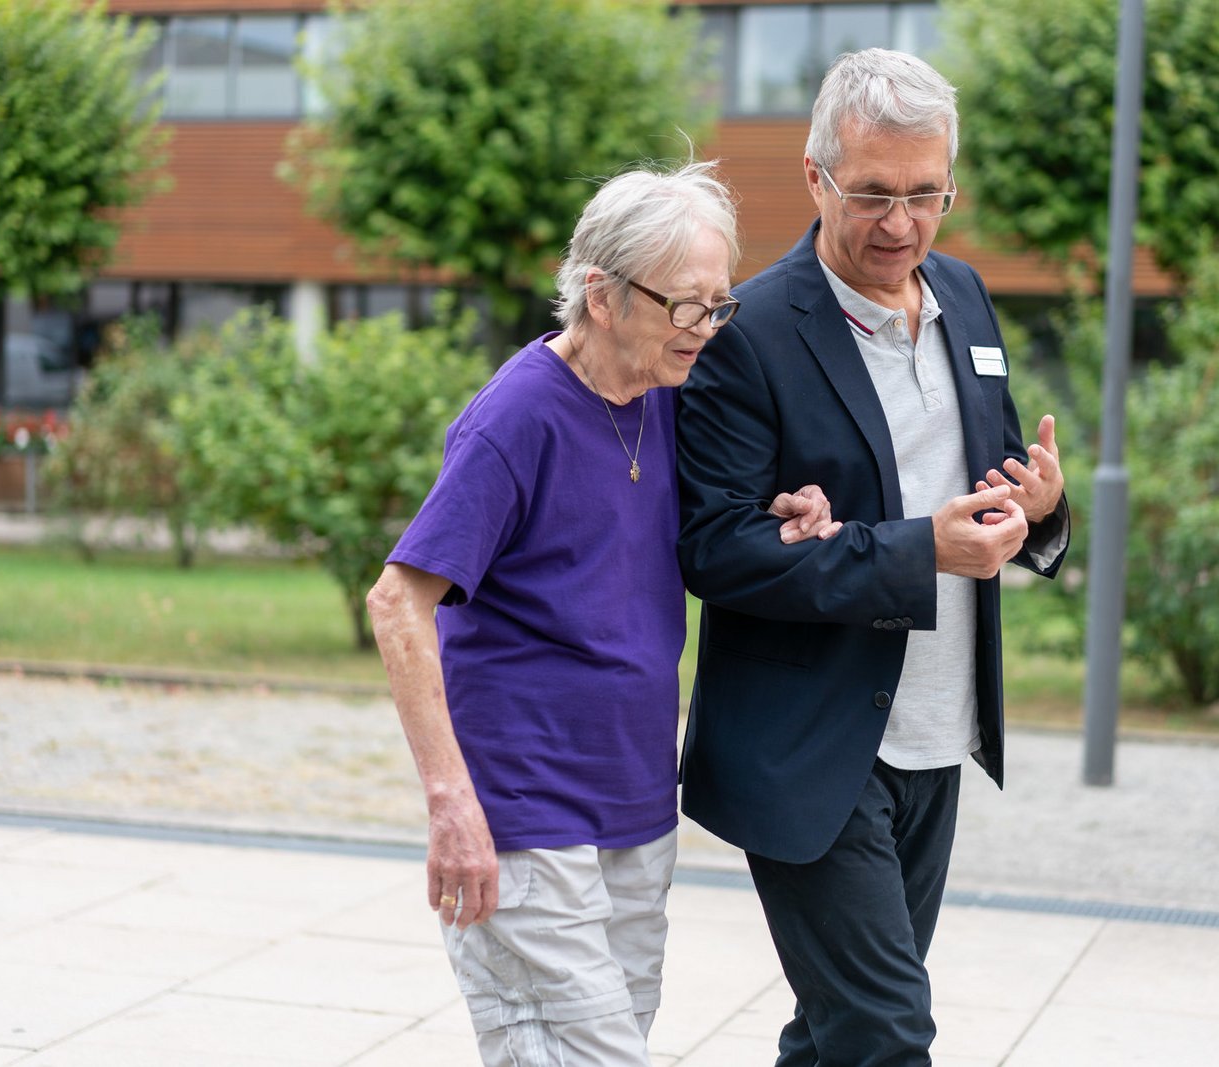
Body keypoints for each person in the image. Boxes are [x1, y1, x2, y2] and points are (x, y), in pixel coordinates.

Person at [366, 162, 839, 1067]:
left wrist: (781, 514)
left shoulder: (663, 398)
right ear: (604, 294)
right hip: (523, 806)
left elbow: (691, 531)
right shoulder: (517, 417)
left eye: (719, 304)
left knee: (610, 1042)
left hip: (633, 804)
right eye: (686, 305)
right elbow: (398, 603)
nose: (706, 328)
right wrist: (451, 804)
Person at [676, 50, 1071, 1066]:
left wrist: (1040, 510)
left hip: (938, 728)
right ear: (815, 178)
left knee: (835, 1036)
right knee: (886, 1032)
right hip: (810, 744)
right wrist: (911, 548)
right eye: (873, 194)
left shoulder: (967, 300)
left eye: (925, 194)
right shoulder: (750, 334)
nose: (901, 224)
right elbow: (714, 545)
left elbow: (982, 483)